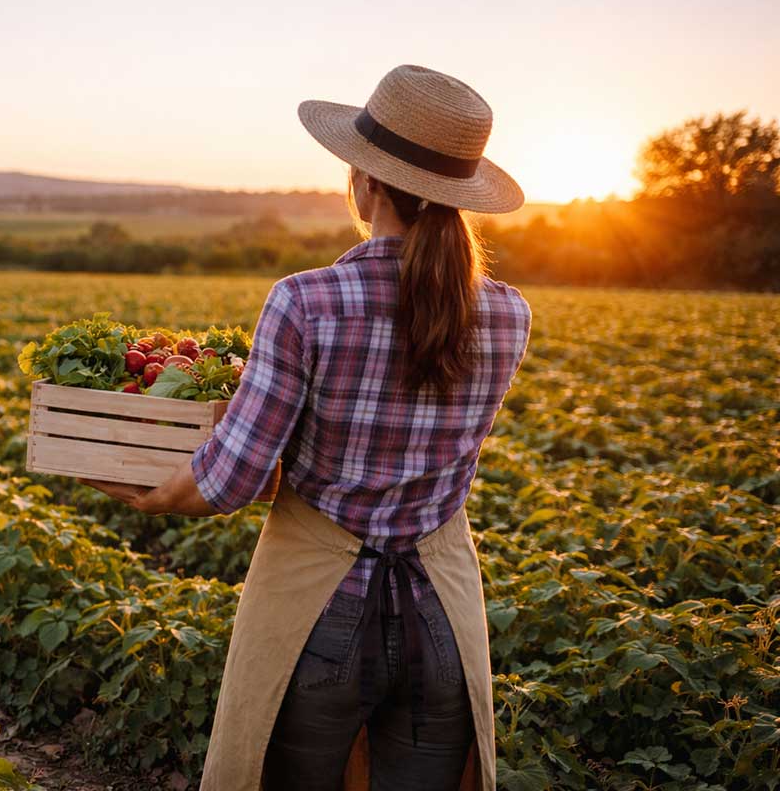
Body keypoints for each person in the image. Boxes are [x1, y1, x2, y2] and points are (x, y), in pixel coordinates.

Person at [83, 64, 531, 791]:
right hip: (443, 617)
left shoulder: (306, 301)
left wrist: (149, 492)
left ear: (366, 182)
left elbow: (231, 482)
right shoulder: (510, 314)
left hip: (320, 616)